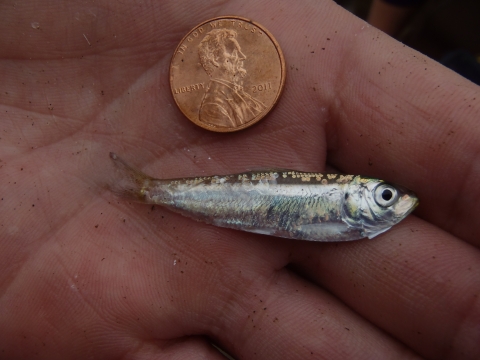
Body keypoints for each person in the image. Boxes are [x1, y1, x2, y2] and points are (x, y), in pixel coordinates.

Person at [0, 0, 479, 359]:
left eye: (385, 195)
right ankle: (147, 189)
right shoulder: (346, 210)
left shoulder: (347, 215)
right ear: (352, 194)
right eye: (384, 195)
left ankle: (148, 190)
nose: (392, 203)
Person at [197, 28, 266, 128]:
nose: (243, 57)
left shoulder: (236, 93)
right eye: (234, 52)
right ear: (215, 58)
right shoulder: (213, 107)